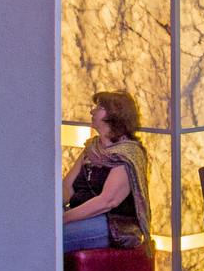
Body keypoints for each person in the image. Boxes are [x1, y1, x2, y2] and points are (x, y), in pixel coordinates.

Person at [62, 91, 150, 253]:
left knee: (51, 237)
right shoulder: (92, 148)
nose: (92, 111)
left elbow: (107, 201)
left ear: (116, 115)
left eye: (100, 107)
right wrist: (52, 209)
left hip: (112, 223)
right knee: (37, 229)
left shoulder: (127, 154)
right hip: (79, 215)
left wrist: (63, 218)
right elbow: (67, 187)